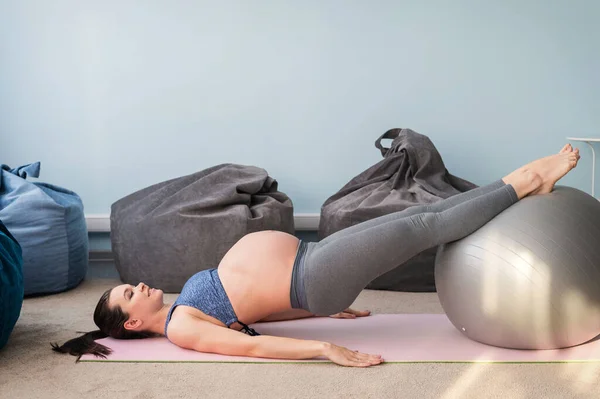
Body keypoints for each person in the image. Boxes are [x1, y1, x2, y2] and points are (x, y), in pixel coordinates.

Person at [53, 144, 580, 367]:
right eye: (131, 294)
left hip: (316, 266)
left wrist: (321, 310)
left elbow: (253, 312)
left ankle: (515, 186)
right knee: (425, 224)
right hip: (316, 271)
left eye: (132, 286)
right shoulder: (181, 328)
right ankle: (528, 179)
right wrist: (325, 347)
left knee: (418, 219)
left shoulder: (181, 310)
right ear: (132, 323)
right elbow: (253, 349)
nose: (140, 286)